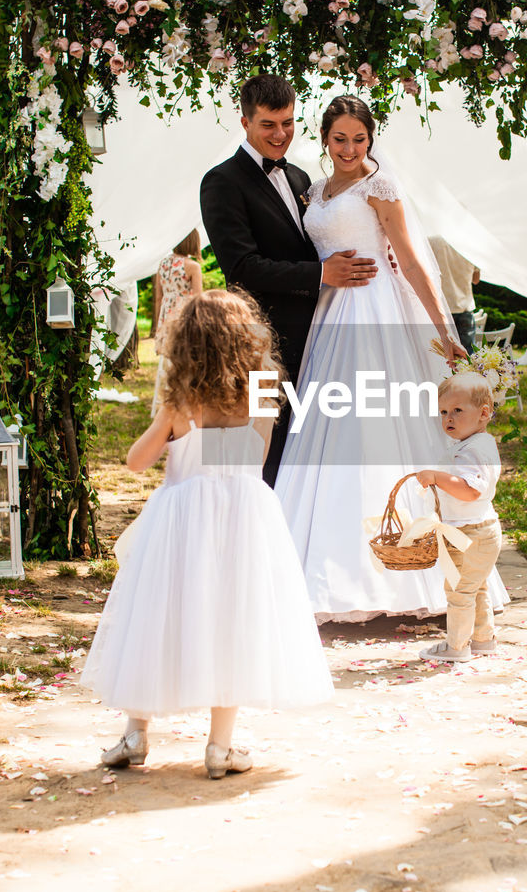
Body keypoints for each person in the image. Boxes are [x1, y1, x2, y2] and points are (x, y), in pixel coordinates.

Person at [80, 289, 334, 778]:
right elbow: (255, 459)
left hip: (180, 519)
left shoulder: (182, 402)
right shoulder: (260, 388)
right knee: (233, 622)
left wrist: (172, 426)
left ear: (186, 345)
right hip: (243, 514)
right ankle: (220, 748)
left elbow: (136, 462)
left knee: (156, 617)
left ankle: (135, 733)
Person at [274, 95, 469, 623]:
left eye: (360, 139)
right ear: (324, 138)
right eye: (340, 139)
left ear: (370, 139)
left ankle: (403, 567)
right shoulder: (313, 190)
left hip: (374, 312)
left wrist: (443, 327)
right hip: (330, 315)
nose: (350, 149)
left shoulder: (380, 188)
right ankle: (325, 564)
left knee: (373, 424)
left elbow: (407, 257)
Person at [199, 74, 380, 485]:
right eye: (268, 125)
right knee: (263, 447)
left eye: (288, 122)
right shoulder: (221, 182)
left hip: (319, 336)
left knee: (306, 448)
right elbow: (241, 266)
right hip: (262, 339)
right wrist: (321, 273)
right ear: (244, 122)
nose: (281, 134)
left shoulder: (301, 179)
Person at [416, 372, 503, 662]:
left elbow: (469, 491)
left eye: (457, 410)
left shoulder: (472, 451)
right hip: (481, 529)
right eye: (443, 412)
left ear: (484, 413)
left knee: (458, 592)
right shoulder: (478, 444)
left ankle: (457, 646)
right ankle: (482, 638)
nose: (448, 418)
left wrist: (437, 478)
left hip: (468, 534)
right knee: (476, 587)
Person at [151, 230, 203, 416]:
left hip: (166, 315)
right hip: (184, 316)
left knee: (168, 363)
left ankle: (164, 403)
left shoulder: (163, 264)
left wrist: (160, 322)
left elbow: (158, 297)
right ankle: (184, 402)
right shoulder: (192, 266)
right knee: (187, 361)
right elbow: (198, 298)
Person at [429, 235, 481, 353]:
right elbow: (476, 279)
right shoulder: (471, 245)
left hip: (440, 309)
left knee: (441, 359)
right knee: (466, 359)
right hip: (464, 310)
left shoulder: (433, 240)